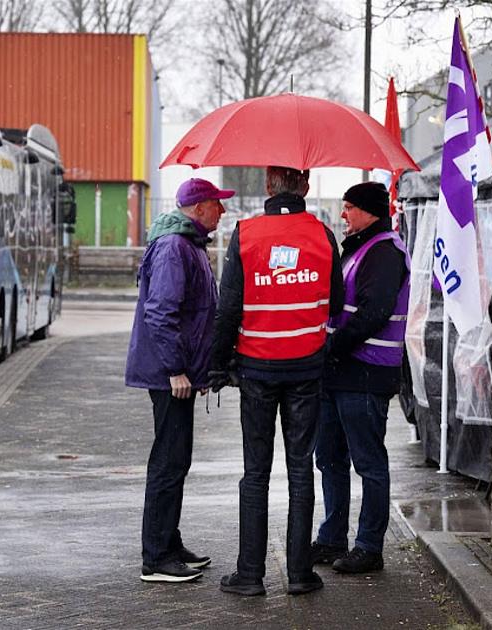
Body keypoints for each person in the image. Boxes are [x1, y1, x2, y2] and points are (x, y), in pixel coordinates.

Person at [209, 166, 343, 596]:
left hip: (257, 369)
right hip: (307, 368)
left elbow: (228, 308)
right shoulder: (323, 236)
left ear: (268, 186)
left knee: (256, 472)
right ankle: (300, 574)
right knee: (301, 470)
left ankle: (250, 574)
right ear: (304, 186)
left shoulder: (245, 234)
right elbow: (337, 303)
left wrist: (217, 364)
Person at [125, 177, 234, 583]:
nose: (222, 212)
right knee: (168, 462)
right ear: (199, 207)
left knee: (176, 459)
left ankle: (169, 544)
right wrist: (176, 369)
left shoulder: (186, 243)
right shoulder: (175, 247)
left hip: (180, 373)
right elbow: (161, 311)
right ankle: (156, 557)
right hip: (171, 375)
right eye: (217, 204)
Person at [312, 181, 411, 574]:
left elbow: (373, 312)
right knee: (330, 460)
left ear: (369, 211)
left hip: (365, 373)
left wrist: (331, 348)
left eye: (349, 207)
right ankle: (332, 538)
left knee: (368, 462)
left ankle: (369, 546)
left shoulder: (384, 251)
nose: (343, 215)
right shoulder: (357, 249)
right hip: (340, 373)